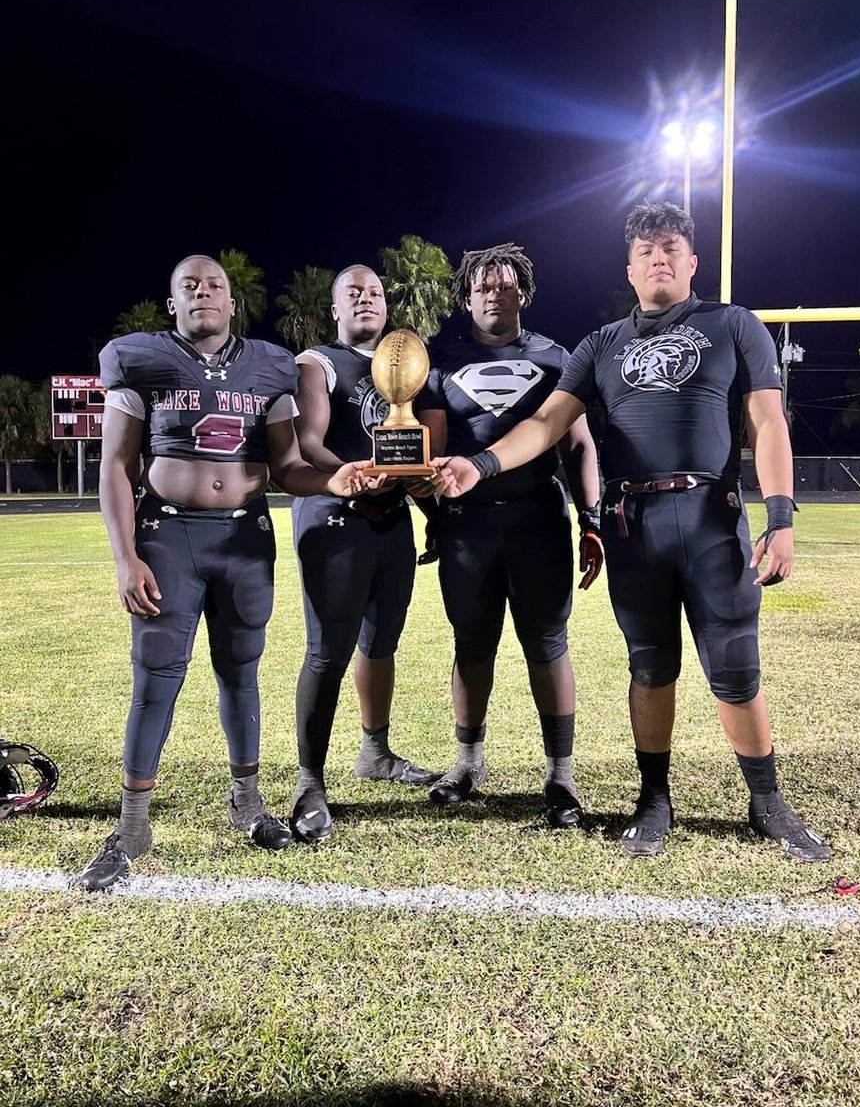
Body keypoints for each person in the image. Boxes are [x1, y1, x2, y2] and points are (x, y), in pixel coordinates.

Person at [433, 204, 832, 863]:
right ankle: (654, 799)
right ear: (629, 267)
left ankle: (767, 803)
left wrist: (781, 517)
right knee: (650, 666)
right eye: (646, 250)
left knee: (735, 669)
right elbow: (547, 425)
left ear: (692, 260)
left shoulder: (732, 325)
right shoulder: (600, 345)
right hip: (633, 525)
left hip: (709, 515)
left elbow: (767, 423)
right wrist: (478, 464)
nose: (659, 258)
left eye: (671, 247)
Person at [77, 255, 369, 891]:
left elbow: (289, 466)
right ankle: (131, 828)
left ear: (233, 303)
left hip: (243, 536)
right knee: (157, 675)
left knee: (241, 672)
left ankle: (247, 802)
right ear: (173, 302)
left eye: (214, 286)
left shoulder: (269, 365)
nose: (202, 293)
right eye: (189, 286)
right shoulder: (140, 358)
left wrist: (332, 478)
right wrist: (126, 557)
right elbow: (116, 469)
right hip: (168, 537)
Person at [416, 242, 602, 828]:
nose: (494, 293)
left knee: (547, 643)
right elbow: (433, 449)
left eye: (505, 285)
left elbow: (578, 444)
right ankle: (469, 762)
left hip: (537, 520)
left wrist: (591, 521)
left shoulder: (555, 357)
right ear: (467, 295)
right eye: (483, 286)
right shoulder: (438, 359)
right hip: (468, 526)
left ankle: (560, 773)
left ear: (524, 291)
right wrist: (432, 515)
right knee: (472, 644)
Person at [289, 265, 439, 843]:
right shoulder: (318, 362)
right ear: (335, 309)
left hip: (390, 520)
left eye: (374, 292)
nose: (366, 301)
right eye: (353, 294)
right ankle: (309, 779)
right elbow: (309, 442)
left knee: (381, 644)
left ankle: (374, 752)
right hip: (336, 518)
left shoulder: (403, 361)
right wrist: (349, 473)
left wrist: (431, 509)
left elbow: (413, 448)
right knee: (327, 651)